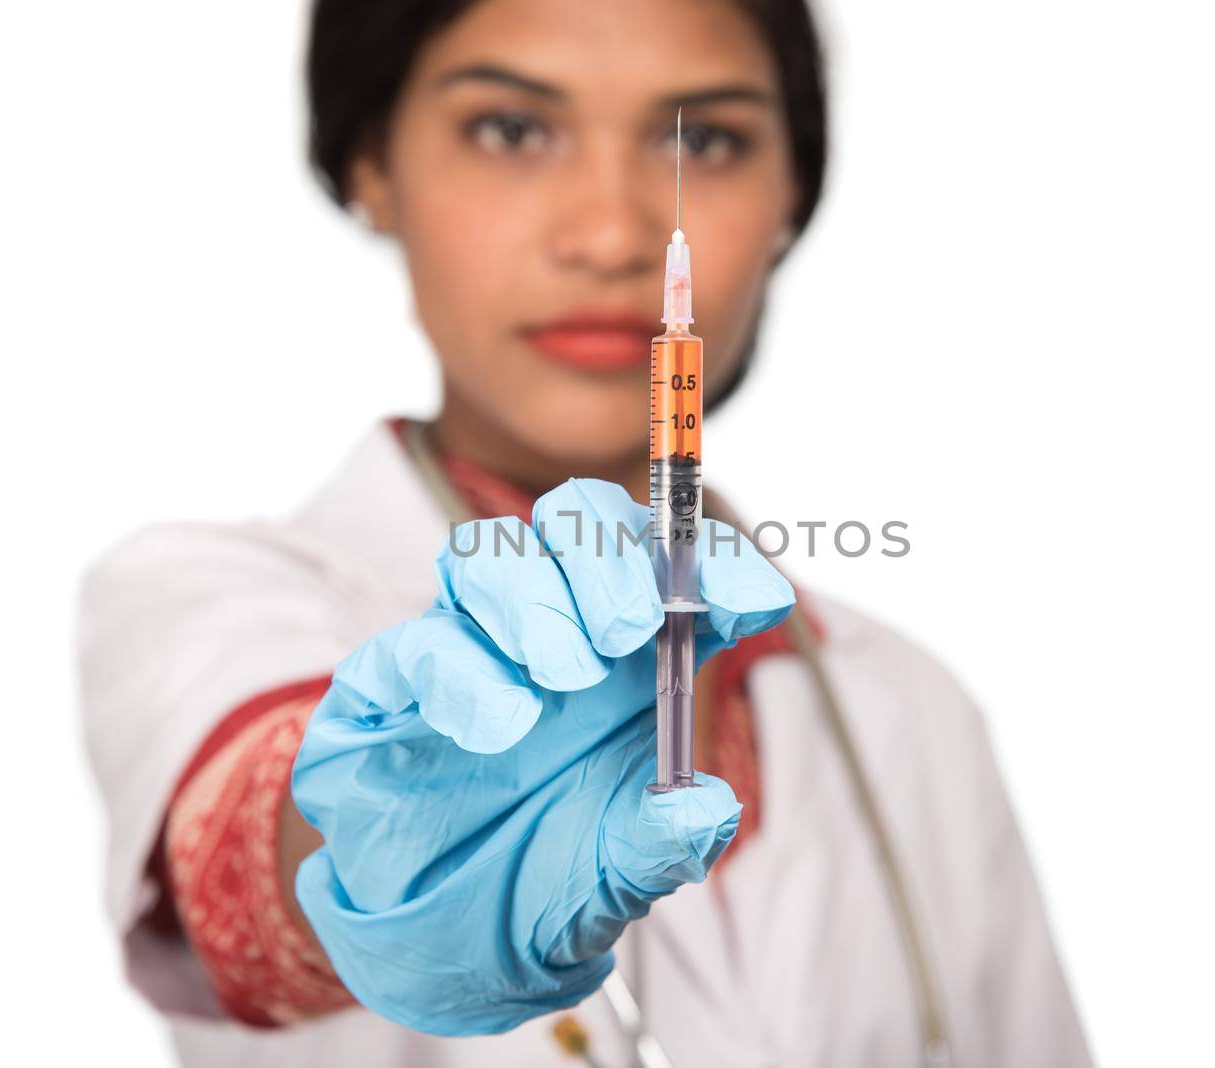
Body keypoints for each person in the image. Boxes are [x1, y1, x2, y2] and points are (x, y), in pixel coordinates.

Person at [79, 1, 1091, 1064]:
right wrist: (398, 859)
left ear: (792, 194)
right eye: (511, 130)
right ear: (370, 164)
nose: (613, 235)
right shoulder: (205, 598)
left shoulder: (911, 710)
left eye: (702, 140)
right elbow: (253, 843)